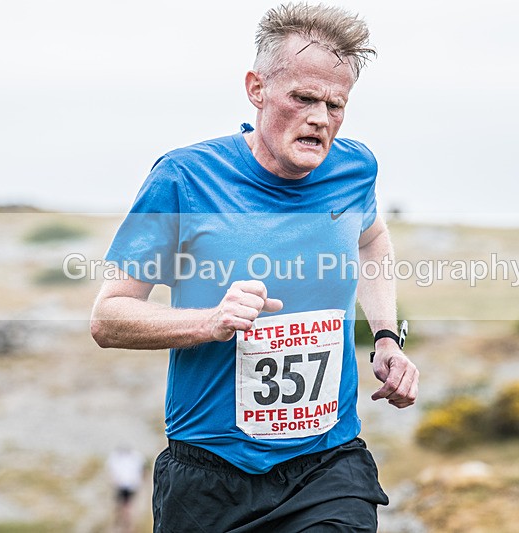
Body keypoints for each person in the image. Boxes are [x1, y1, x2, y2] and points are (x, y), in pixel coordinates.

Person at [90, 3, 419, 531]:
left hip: (328, 463)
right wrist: (209, 321)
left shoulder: (355, 169)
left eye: (336, 105)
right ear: (256, 88)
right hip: (209, 473)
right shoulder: (185, 178)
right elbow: (109, 318)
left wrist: (386, 337)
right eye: (304, 98)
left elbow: (371, 238)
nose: (320, 118)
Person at [106, 446, 146, 533]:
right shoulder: (135, 457)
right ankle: (126, 525)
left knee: (125, 506)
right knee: (125, 506)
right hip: (126, 485)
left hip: (127, 485)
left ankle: (126, 526)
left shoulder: (132, 457)